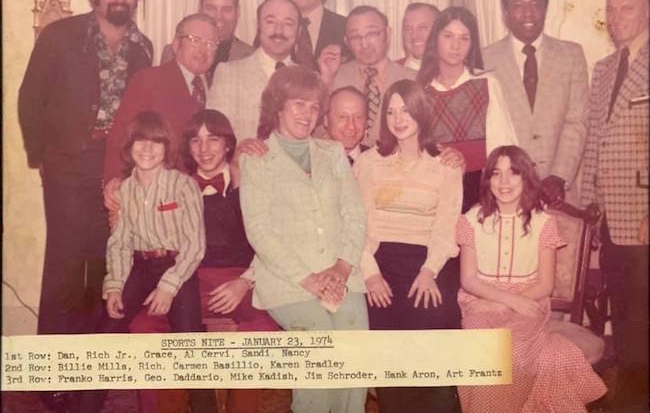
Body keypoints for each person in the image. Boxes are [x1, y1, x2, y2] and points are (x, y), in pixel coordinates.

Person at [18, 0, 152, 412]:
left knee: (104, 269)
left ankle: (89, 375)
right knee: (63, 271)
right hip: (68, 165)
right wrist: (45, 159)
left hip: (117, 169)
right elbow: (29, 98)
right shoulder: (60, 36)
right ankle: (51, 377)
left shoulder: (143, 48)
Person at [129, 109, 280, 413]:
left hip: (242, 281)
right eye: (196, 141)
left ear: (228, 144)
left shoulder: (248, 180)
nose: (204, 148)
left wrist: (244, 282)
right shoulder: (173, 185)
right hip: (187, 283)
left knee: (263, 327)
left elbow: (271, 245)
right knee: (143, 328)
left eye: (213, 139)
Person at [239, 65, 368, 413]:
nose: (307, 115)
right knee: (318, 346)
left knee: (355, 354)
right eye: (298, 104)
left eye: (314, 107)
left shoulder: (333, 154)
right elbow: (259, 231)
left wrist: (341, 269)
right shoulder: (256, 159)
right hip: (288, 282)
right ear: (278, 106)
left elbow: (355, 216)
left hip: (343, 275)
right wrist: (310, 279)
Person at [77, 110, 216, 412]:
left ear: (167, 148)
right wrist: (114, 285)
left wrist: (169, 286)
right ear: (129, 147)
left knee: (190, 342)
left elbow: (195, 245)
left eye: (156, 142)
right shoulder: (125, 189)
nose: (147, 149)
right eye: (141, 141)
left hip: (178, 266)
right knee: (105, 334)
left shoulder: (182, 186)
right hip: (139, 267)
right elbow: (121, 242)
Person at [456, 145, 606, 412]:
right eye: (496, 174)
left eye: (513, 173)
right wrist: (501, 299)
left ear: (526, 178)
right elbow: (469, 279)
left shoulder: (542, 223)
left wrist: (510, 303)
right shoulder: (471, 220)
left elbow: (545, 285)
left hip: (529, 301)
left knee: (512, 354)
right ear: (487, 179)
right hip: (481, 301)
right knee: (481, 350)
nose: (504, 182)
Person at [355, 79, 463, 413]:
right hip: (379, 260)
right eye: (391, 111)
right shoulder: (369, 162)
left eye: (406, 110)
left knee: (431, 324)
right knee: (388, 343)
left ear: (421, 113)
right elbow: (356, 226)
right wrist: (370, 275)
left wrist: (429, 271)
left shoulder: (445, 165)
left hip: (429, 261)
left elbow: (447, 228)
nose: (398, 119)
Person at [580, 0, 649, 413]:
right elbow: (594, 138)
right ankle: (629, 388)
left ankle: (635, 400)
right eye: (610, 8)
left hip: (643, 215)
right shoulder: (604, 69)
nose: (615, 17)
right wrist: (590, 201)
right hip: (610, 216)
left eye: (626, 7)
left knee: (642, 314)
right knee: (622, 310)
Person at [482, 0, 589, 205]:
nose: (528, 13)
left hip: (559, 194)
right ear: (505, 12)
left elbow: (577, 121)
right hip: (505, 194)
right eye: (518, 5)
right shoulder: (484, 59)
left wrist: (559, 176)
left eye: (535, 4)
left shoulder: (571, 55)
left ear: (546, 8)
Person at [103, 13, 219, 216]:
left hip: (209, 198)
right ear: (175, 45)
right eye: (194, 40)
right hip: (160, 197)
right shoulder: (149, 80)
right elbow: (122, 134)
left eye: (211, 43)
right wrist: (115, 179)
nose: (203, 49)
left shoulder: (220, 85)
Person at [417, 6, 518, 213]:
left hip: (479, 191)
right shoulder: (421, 89)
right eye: (448, 36)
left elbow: (503, 147)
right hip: (433, 192)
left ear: (472, 45)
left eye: (464, 38)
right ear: (435, 39)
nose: (456, 46)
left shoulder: (487, 83)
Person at [206, 0, 301, 141]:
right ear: (259, 25)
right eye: (270, 22)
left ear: (299, 31)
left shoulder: (308, 78)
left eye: (288, 23)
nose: (278, 30)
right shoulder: (228, 73)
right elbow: (215, 135)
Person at [332, 5, 415, 147]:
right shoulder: (333, 76)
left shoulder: (412, 80)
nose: (364, 44)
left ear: (387, 34)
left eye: (372, 34)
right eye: (355, 36)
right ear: (346, 41)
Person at [160, 0, 253, 85]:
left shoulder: (252, 58)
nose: (218, 17)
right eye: (211, 8)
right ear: (200, 9)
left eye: (226, 9)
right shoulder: (174, 51)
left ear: (238, 12)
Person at [323, 86, 369, 165]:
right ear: (326, 120)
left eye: (358, 117)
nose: (351, 126)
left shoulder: (380, 162)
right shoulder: (311, 161)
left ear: (366, 123)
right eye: (342, 117)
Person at [397, 2, 440, 71]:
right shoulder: (387, 73)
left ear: (439, 30)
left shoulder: (456, 73)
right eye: (408, 29)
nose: (414, 36)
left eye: (422, 28)